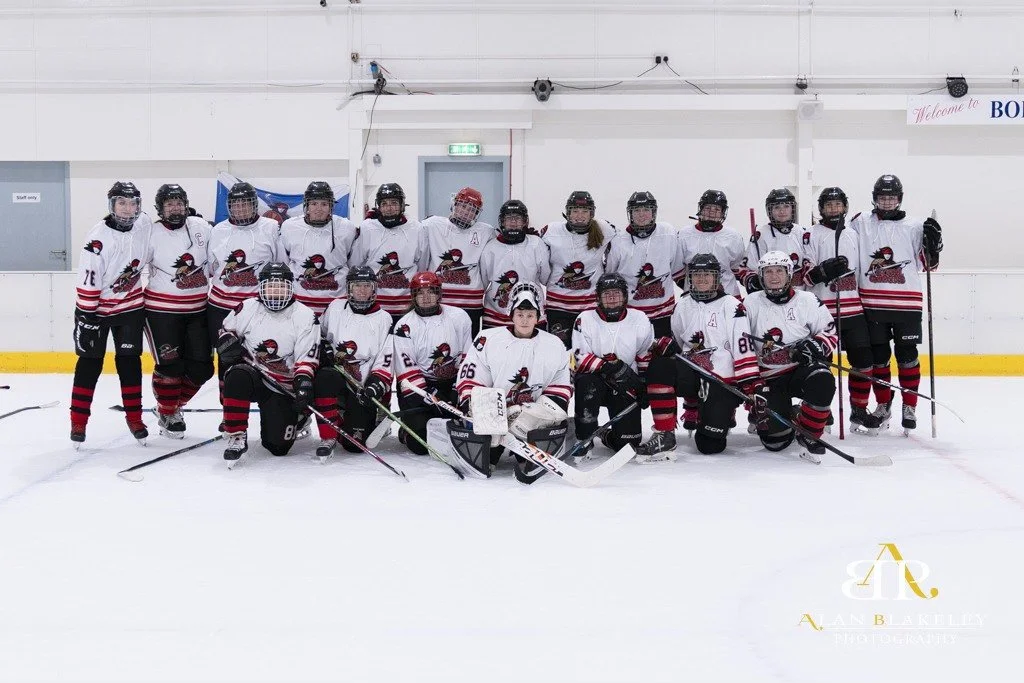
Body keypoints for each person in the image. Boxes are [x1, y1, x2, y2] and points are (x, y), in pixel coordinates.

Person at [637, 254, 759, 461]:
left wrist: (751, 388)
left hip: (721, 380)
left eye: (707, 275)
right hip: (691, 373)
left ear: (717, 278)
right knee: (660, 365)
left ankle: (719, 410)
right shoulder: (682, 305)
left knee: (710, 446)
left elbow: (743, 349)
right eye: (696, 275)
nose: (701, 279)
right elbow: (677, 342)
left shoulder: (733, 306)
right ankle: (665, 434)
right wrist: (668, 346)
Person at [850, 174, 941, 432]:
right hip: (872, 303)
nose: (887, 202)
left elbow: (929, 264)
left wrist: (935, 244)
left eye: (891, 198)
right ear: (874, 199)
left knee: (907, 356)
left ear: (899, 199)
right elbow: (841, 240)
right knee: (879, 358)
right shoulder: (860, 223)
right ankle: (883, 404)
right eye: (882, 197)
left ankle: (909, 405)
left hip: (907, 304)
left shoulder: (914, 225)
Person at [456, 283, 572, 481]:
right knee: (487, 456)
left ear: (538, 316)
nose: (525, 320)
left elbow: (560, 389)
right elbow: (471, 378)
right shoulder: (488, 338)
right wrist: (475, 405)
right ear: (511, 314)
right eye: (520, 314)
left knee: (531, 439)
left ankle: (521, 448)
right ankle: (492, 451)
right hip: (493, 417)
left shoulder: (554, 344)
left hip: (528, 417)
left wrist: (532, 414)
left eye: (530, 315)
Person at [70, 181, 153, 447]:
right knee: (89, 365)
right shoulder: (97, 238)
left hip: (130, 308)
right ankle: (78, 422)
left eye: (133, 203)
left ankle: (135, 417)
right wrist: (86, 315)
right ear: (112, 205)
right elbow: (88, 279)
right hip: (96, 311)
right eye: (122, 203)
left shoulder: (143, 224)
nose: (128, 209)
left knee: (130, 363)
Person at [215, 262, 320, 462]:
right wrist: (228, 343)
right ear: (261, 287)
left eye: (281, 286)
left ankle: (300, 418)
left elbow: (307, 357)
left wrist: (303, 383)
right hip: (253, 375)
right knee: (236, 375)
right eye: (271, 286)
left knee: (277, 447)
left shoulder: (305, 315)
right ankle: (236, 434)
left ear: (290, 287)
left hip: (282, 386)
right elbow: (225, 331)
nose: (276, 291)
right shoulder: (247, 307)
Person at [742, 251, 838, 457]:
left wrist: (816, 346)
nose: (774, 276)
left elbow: (830, 332)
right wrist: (751, 383)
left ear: (789, 274)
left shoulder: (808, 300)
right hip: (768, 379)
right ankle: (792, 414)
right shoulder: (750, 303)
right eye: (768, 272)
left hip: (799, 373)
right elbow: (741, 345)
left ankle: (810, 433)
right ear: (760, 275)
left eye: (779, 271)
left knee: (822, 377)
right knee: (775, 443)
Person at [805, 187, 883, 433]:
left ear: (845, 207)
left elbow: (864, 272)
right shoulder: (811, 234)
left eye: (837, 205)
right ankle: (822, 411)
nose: (833, 210)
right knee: (821, 367)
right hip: (823, 312)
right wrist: (821, 272)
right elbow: (805, 277)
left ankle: (858, 410)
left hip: (853, 310)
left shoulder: (854, 233)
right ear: (821, 209)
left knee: (864, 361)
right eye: (829, 206)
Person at [144, 183, 215, 439]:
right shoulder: (149, 233)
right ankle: (168, 411)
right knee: (170, 367)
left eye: (179, 203)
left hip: (198, 310)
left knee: (202, 369)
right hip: (161, 312)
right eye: (169, 204)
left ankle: (171, 405)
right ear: (160, 209)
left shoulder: (201, 228)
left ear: (186, 204)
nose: (175, 208)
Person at [208, 182, 283, 398]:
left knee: (264, 357)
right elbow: (212, 267)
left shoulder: (270, 228)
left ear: (254, 205)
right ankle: (229, 412)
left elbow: (280, 264)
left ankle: (272, 407)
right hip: (222, 308)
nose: (240, 208)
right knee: (227, 357)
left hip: (258, 309)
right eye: (236, 204)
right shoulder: (218, 230)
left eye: (245, 203)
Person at [312, 266, 395, 459]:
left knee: (355, 445)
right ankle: (329, 433)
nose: (362, 291)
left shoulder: (384, 318)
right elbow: (319, 334)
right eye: (357, 286)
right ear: (349, 288)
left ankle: (346, 417)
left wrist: (375, 384)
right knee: (324, 377)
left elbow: (386, 357)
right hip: (337, 378)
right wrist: (324, 347)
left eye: (367, 286)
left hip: (362, 388)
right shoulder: (335, 308)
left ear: (374, 288)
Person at [571, 272, 654, 457]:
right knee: (586, 382)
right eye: (606, 294)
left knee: (628, 445)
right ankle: (584, 437)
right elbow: (580, 357)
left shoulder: (639, 319)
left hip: (626, 383)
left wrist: (643, 385)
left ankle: (605, 433)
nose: (611, 298)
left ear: (624, 296)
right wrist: (610, 368)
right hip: (596, 382)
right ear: (598, 298)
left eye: (616, 293)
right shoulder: (584, 318)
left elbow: (645, 355)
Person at [392, 271, 474, 454]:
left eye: (431, 291)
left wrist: (457, 390)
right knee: (419, 445)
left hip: (453, 384)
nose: (426, 297)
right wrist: (430, 394)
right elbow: (407, 370)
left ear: (439, 293)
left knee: (462, 430)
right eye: (421, 293)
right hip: (419, 388)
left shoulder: (459, 317)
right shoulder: (404, 326)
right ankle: (408, 429)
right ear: (413, 296)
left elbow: (468, 358)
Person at [603, 191, 684, 338]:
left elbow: (678, 271)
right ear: (630, 214)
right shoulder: (618, 241)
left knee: (663, 359)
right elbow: (610, 276)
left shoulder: (668, 234)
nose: (641, 214)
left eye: (646, 210)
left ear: (653, 213)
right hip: (631, 316)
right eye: (637, 211)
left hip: (664, 315)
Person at [541, 190, 616, 348]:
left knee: (591, 349)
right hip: (558, 306)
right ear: (567, 213)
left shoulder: (605, 230)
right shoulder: (551, 231)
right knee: (560, 351)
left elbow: (617, 254)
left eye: (584, 211)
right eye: (575, 211)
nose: (579, 215)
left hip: (589, 306)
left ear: (592, 214)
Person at [349, 183, 428, 324]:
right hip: (374, 307)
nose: (389, 208)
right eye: (384, 203)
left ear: (402, 205)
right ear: (378, 206)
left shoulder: (416, 229)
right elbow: (355, 264)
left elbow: (422, 267)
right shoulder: (368, 228)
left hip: (408, 308)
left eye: (394, 203)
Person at [421, 187, 495, 332]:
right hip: (439, 300)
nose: (466, 212)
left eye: (472, 209)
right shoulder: (432, 224)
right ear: (454, 205)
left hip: (471, 303)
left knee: (467, 348)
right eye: (463, 206)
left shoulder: (486, 231)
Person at [279, 181, 358, 317]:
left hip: (337, 305)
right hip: (299, 305)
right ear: (307, 206)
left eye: (324, 204)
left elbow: (354, 262)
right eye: (314, 203)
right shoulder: (289, 227)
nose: (319, 209)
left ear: (331, 206)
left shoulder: (347, 228)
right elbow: (284, 261)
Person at [478, 199, 551, 329]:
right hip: (496, 316)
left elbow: (545, 278)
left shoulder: (536, 244)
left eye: (517, 218)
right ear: (502, 221)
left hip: (531, 315)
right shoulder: (490, 247)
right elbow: (482, 283)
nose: (513, 222)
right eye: (509, 218)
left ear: (525, 221)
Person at [739, 188, 814, 293]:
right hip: (770, 297)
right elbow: (746, 269)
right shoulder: (761, 235)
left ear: (792, 208)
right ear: (770, 211)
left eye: (786, 206)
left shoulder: (802, 233)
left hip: (799, 297)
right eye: (777, 207)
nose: (782, 211)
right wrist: (753, 281)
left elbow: (811, 264)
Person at [677, 190, 746, 297]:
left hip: (728, 296)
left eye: (717, 209)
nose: (712, 212)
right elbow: (677, 268)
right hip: (692, 298)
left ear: (723, 213)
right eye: (708, 208)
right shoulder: (683, 234)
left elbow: (737, 268)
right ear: (701, 209)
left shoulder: (734, 237)